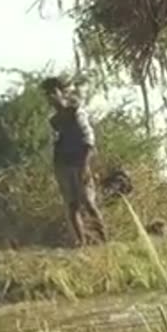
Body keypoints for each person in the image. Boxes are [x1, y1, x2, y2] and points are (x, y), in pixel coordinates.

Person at [42, 76, 108, 246]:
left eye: (53, 92)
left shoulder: (75, 112)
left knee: (88, 201)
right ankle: (81, 242)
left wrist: (85, 165)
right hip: (63, 164)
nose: (51, 97)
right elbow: (56, 142)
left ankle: (104, 240)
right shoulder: (54, 120)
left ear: (61, 92)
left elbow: (88, 140)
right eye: (47, 94)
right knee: (71, 206)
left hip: (79, 162)